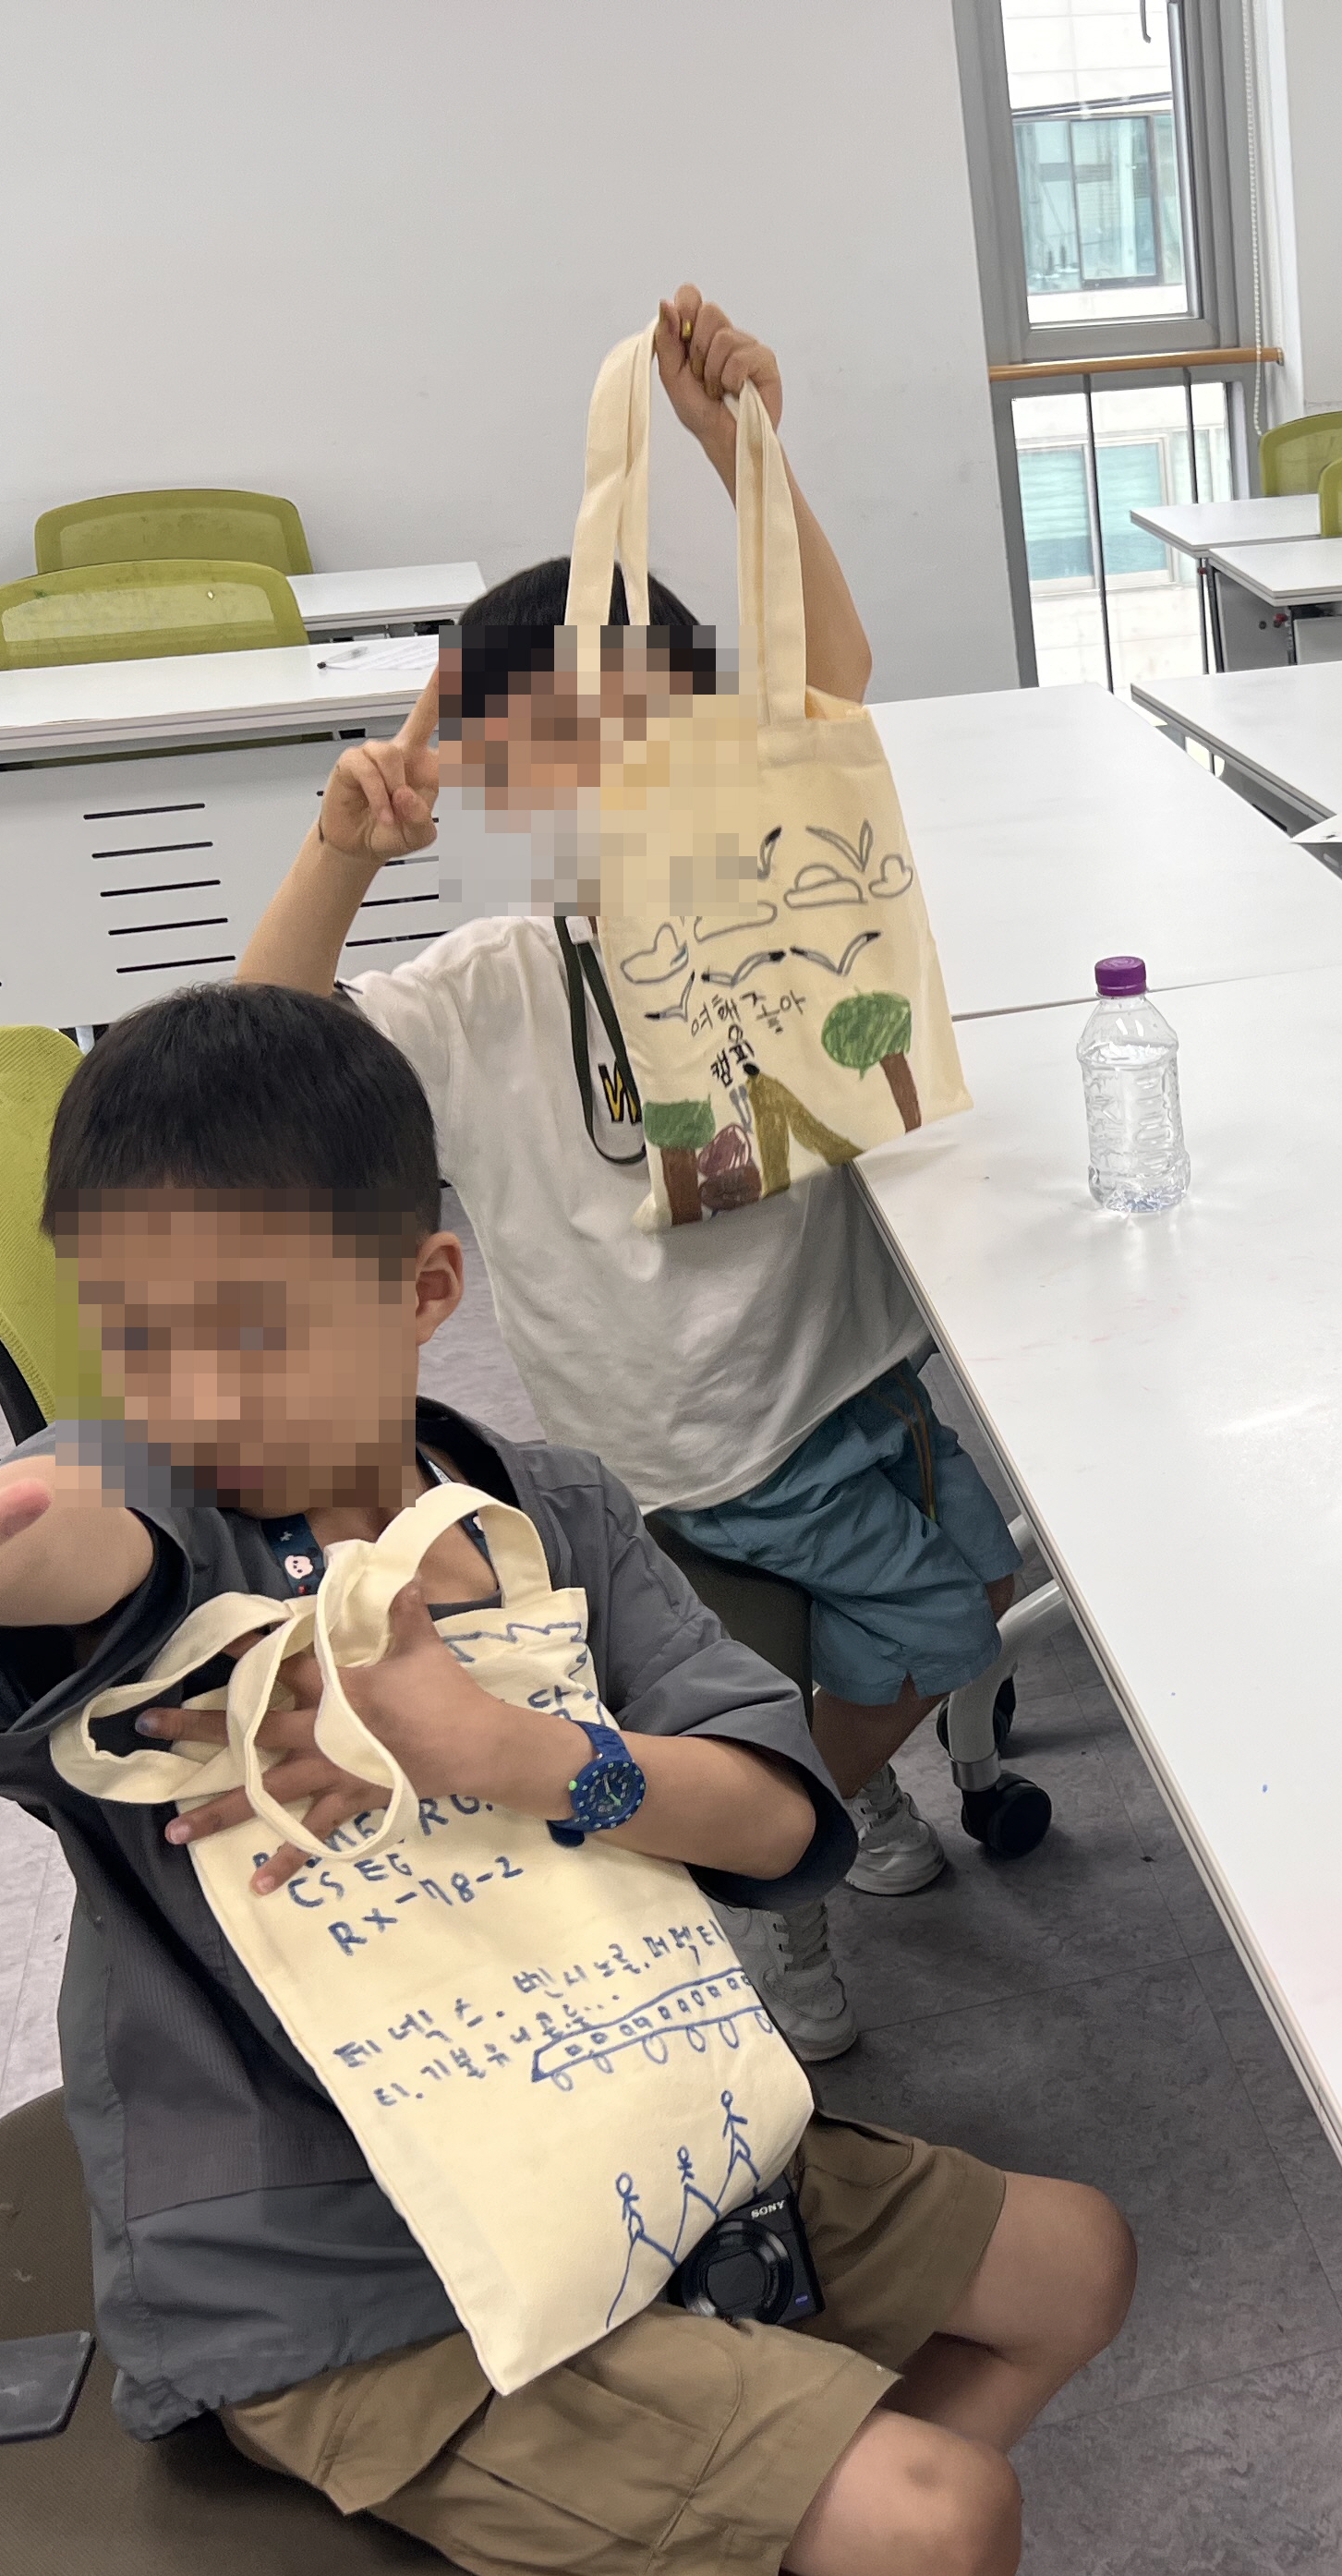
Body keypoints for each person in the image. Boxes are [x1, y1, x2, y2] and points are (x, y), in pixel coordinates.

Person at [0, 984, 1134, 2576]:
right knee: (945, 2525)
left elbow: (778, 1821)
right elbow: (69, 1536)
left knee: (1076, 2257)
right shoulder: (161, 1517)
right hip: (344, 2274)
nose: (193, 1396)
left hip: (616, 2122)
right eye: (133, 1338)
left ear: (423, 1291)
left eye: (256, 1330)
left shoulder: (551, 1512)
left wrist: (515, 1752)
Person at [239, 289, 1010, 2062]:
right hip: (683, 1441)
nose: (617, 783)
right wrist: (345, 848)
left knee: (964, 1591)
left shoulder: (761, 890)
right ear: (499, 782)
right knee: (899, 1632)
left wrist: (745, 451)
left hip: (847, 1373)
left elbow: (827, 674)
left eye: (651, 732)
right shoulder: (486, 992)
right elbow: (266, 1053)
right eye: (558, 754)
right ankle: (769, 1863)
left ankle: (819, 1794)